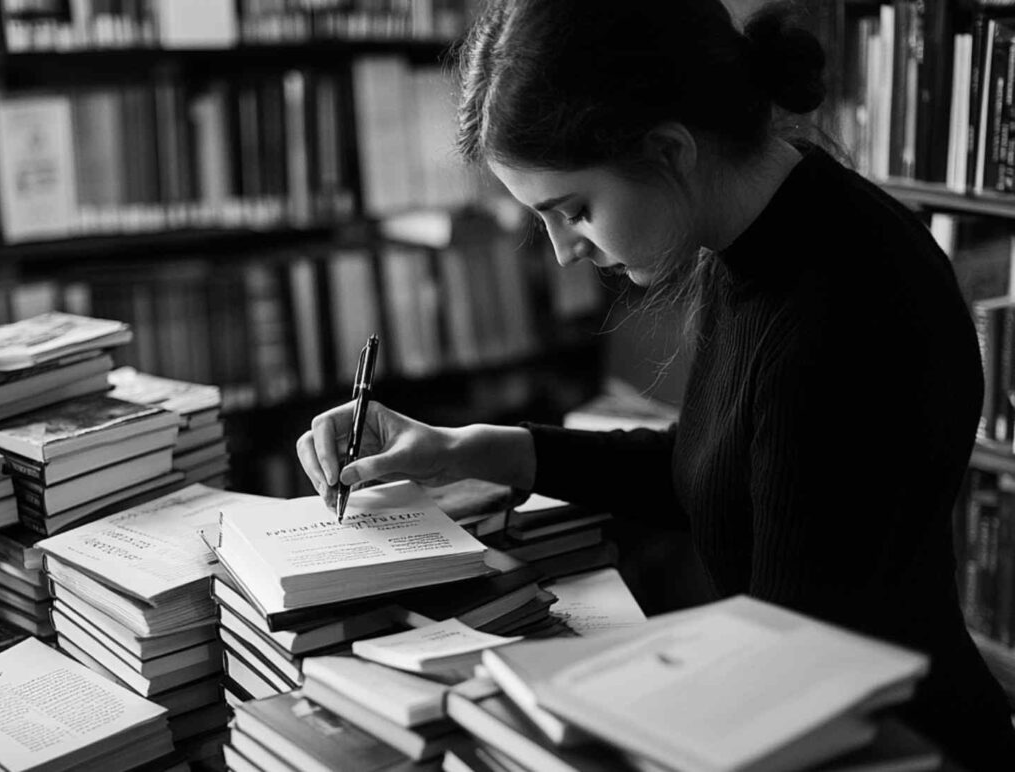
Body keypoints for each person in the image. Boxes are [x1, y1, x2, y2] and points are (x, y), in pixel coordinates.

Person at [297, 0, 1015, 767]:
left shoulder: (840, 310)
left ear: (670, 150)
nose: (565, 252)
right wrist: (470, 449)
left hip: (898, 745)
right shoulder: (764, 233)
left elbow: (798, 671)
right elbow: (718, 467)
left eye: (573, 211)